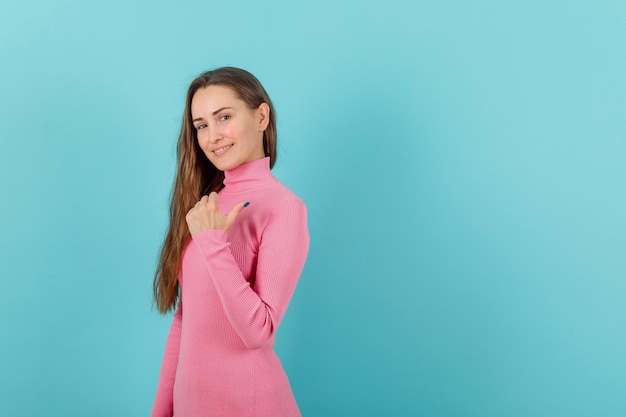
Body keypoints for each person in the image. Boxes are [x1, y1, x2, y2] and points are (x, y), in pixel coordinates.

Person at [151, 67, 309, 417]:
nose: (212, 136)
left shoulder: (284, 208)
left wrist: (213, 244)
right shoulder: (204, 205)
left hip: (251, 405)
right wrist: (160, 412)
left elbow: (259, 333)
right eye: (202, 125)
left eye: (224, 117)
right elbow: (184, 320)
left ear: (261, 116)